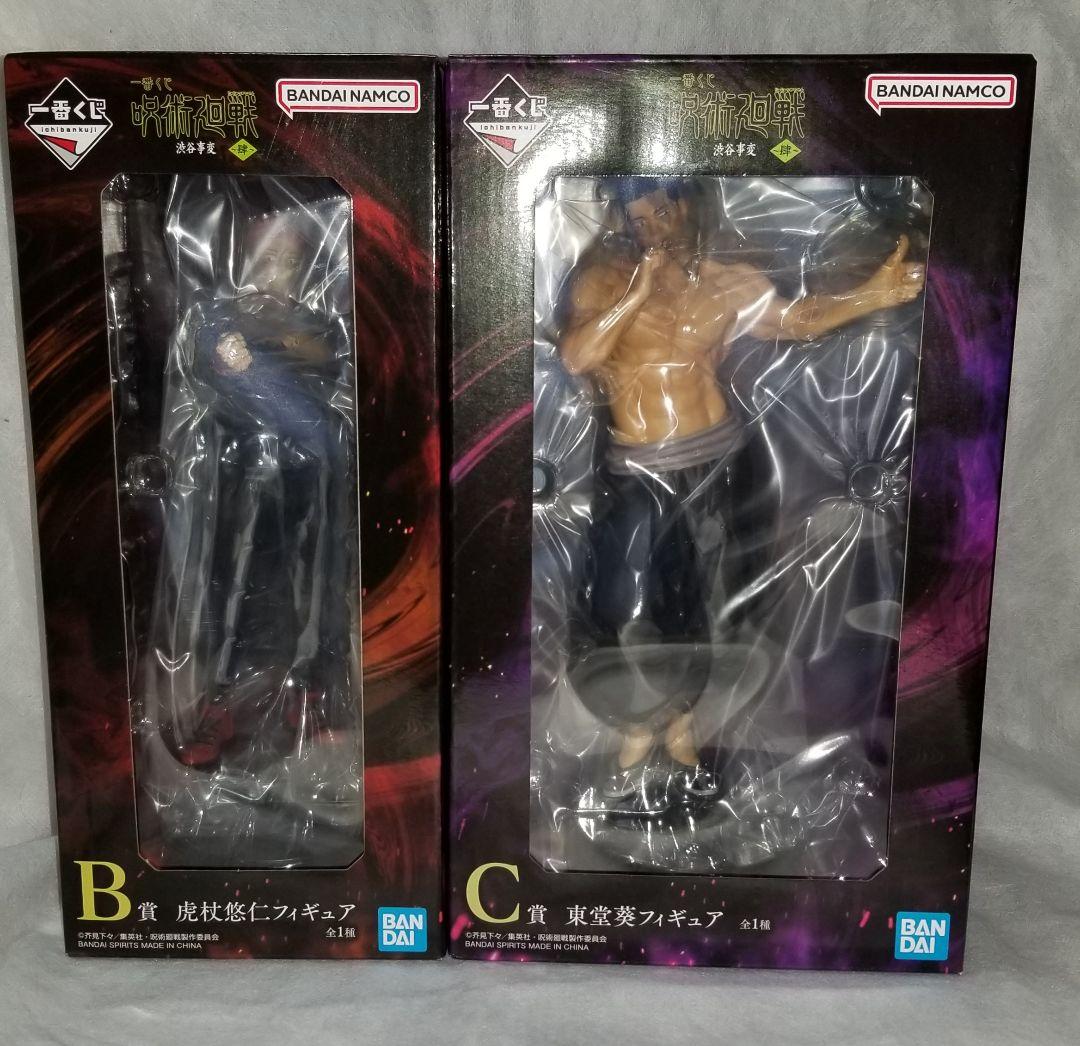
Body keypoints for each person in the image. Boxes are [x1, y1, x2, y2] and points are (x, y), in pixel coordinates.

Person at [560, 178, 925, 812]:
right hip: (639, 468)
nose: (653, 225)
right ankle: (637, 724)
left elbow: (795, 320)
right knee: (623, 604)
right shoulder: (603, 279)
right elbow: (577, 358)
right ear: (620, 217)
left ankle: (680, 728)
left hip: (719, 463)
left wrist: (873, 294)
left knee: (708, 601)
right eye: (638, 214)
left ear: (686, 207)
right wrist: (637, 291)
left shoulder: (724, 281)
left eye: (662, 208)